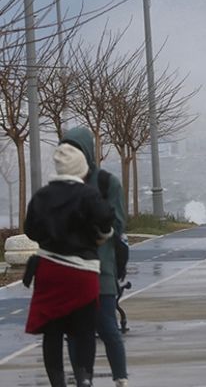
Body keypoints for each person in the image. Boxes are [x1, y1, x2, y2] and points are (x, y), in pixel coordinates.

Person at [25, 143, 114, 387]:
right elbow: (106, 219)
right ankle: (84, 377)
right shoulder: (88, 194)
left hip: (49, 270)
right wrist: (98, 235)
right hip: (82, 272)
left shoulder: (42, 195)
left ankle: (57, 381)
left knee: (52, 331)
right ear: (81, 169)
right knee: (84, 329)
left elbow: (30, 229)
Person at [62, 126, 130, 387]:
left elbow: (119, 224)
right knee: (74, 334)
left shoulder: (106, 183)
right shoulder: (62, 186)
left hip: (101, 270)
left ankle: (120, 378)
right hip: (70, 272)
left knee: (108, 329)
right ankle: (82, 380)